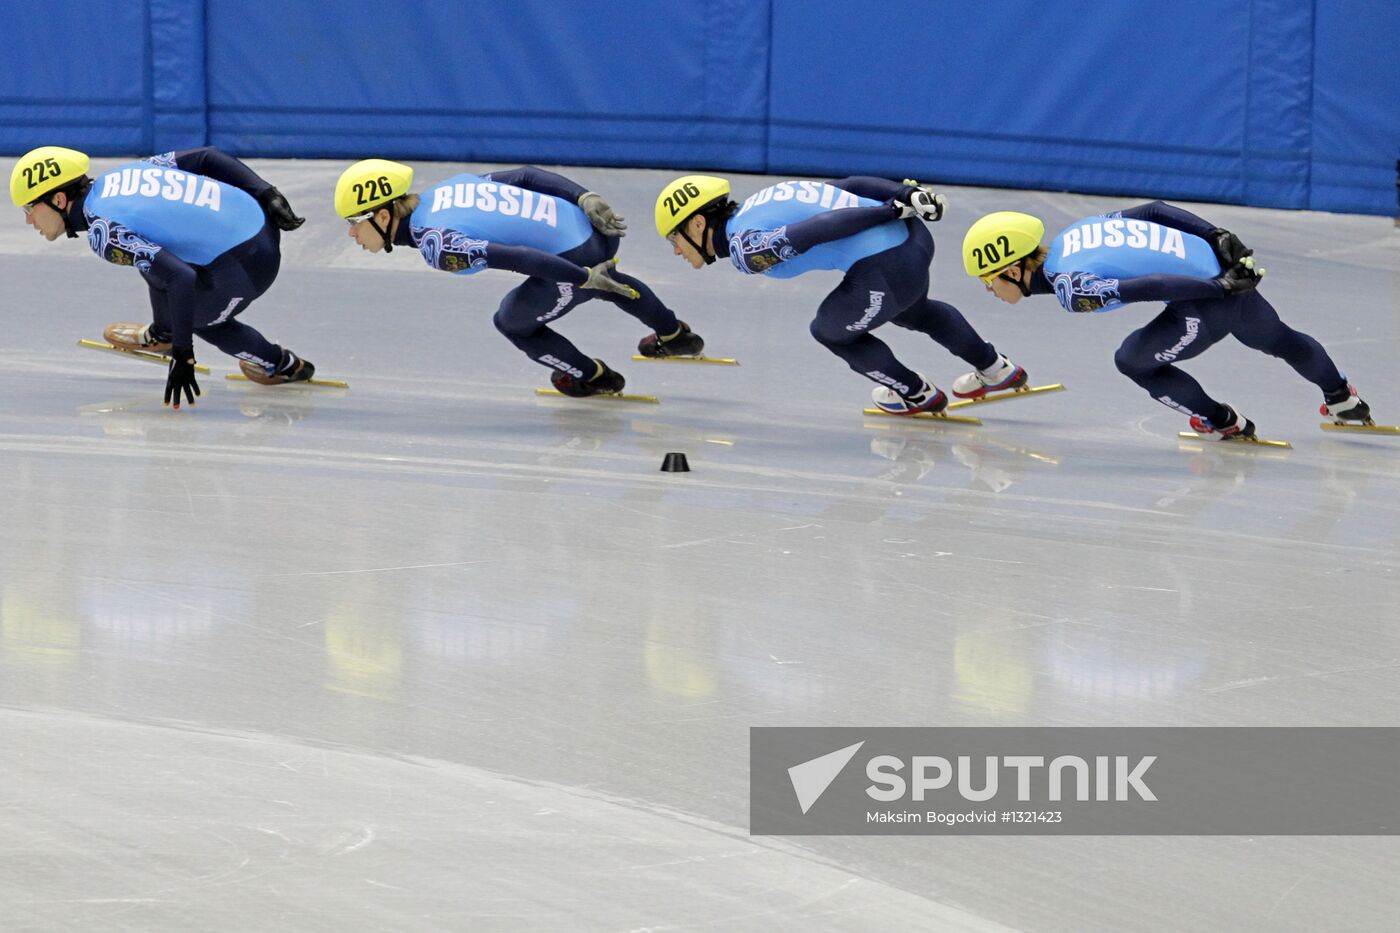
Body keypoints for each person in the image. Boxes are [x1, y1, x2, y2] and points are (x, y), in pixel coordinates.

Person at [962, 204, 1373, 438]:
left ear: (1013, 270)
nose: (988, 290)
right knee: (1281, 339)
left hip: (1205, 295)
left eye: (988, 280)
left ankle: (1223, 421)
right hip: (1218, 266)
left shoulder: (1071, 286)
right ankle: (1344, 400)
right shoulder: (1076, 232)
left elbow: (1151, 284)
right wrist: (1217, 236)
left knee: (1132, 361)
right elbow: (1153, 209)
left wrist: (1222, 289)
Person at [652, 174, 1028, 414]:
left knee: (829, 330)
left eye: (674, 240)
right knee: (915, 311)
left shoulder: (744, 248)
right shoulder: (761, 201)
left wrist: (890, 210)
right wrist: (905, 194)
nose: (675, 252)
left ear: (697, 223)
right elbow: (848, 186)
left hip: (887, 264)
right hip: (914, 243)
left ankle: (915, 394)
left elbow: (819, 228)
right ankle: (996, 369)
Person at [334, 160, 703, 397]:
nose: (352, 235)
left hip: (575, 256)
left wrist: (583, 277)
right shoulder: (447, 188)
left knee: (511, 322)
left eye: (353, 223)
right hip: (595, 223)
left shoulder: (436, 243)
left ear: (382, 216)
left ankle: (592, 377)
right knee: (609, 280)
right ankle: (674, 333)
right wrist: (585, 196)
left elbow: (521, 258)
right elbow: (527, 175)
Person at [9, 146, 315, 409]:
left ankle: (281, 365)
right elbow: (207, 156)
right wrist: (267, 192)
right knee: (150, 256)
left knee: (199, 318)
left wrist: (183, 355)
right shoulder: (125, 174)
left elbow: (180, 278)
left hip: (248, 266)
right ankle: (163, 333)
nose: (28, 219)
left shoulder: (103, 232)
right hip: (261, 218)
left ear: (59, 200)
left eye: (29, 208)